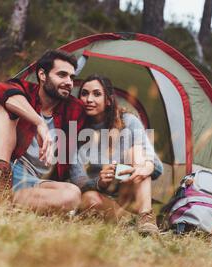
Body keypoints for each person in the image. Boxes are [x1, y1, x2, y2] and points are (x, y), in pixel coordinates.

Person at [0, 49, 86, 213]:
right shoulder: (25, 90)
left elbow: (102, 115)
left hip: (25, 179)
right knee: (5, 108)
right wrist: (39, 122)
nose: (69, 82)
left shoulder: (74, 109)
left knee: (72, 194)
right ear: (42, 75)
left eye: (71, 77)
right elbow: (1, 89)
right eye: (62, 75)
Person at [70, 74, 163, 235]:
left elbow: (157, 166)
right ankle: (130, 222)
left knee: (137, 152)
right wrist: (100, 182)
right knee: (89, 200)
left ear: (108, 100)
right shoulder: (75, 129)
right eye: (84, 93)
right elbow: (78, 180)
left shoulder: (128, 121)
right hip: (101, 198)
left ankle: (145, 217)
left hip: (129, 193)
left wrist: (144, 168)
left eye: (96, 94)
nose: (88, 99)